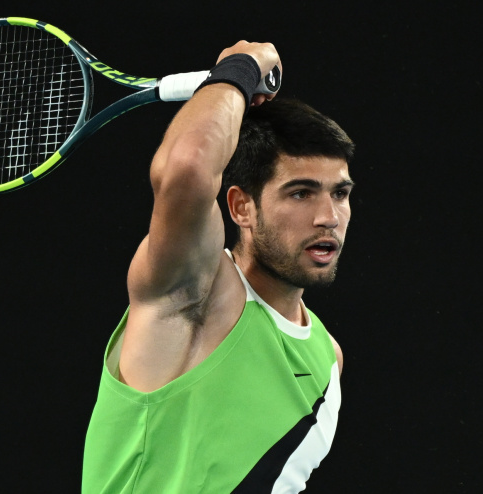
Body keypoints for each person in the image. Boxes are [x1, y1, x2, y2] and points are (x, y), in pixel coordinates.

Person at [82, 40, 355, 493]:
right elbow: (187, 168)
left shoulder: (327, 360)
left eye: (340, 194)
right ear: (241, 207)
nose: (328, 216)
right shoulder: (194, 293)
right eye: (301, 193)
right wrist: (239, 71)